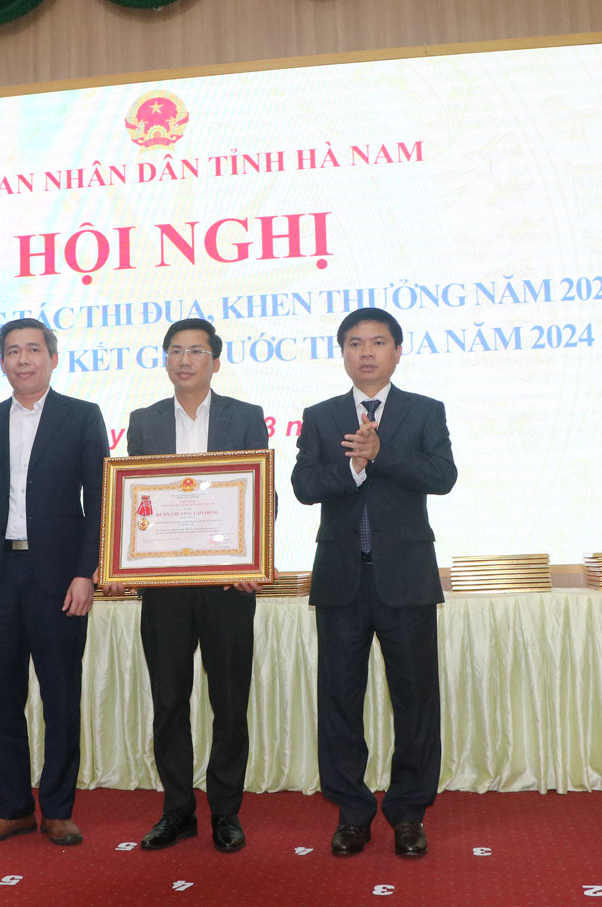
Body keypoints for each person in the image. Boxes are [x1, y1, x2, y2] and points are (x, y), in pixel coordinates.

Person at [290, 307, 457, 858]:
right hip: (341, 579)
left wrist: (381, 456)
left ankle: (409, 814)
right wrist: (353, 468)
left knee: (415, 701)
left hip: (406, 579)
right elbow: (304, 486)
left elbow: (442, 476)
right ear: (342, 352)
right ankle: (352, 814)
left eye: (378, 342)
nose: (366, 352)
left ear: (397, 351)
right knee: (339, 701)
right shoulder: (320, 416)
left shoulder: (424, 411)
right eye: (355, 343)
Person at [106, 317, 269, 853]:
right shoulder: (145, 421)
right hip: (165, 589)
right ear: (165, 360)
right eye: (175, 350)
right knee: (169, 701)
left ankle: (225, 811)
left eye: (196, 351)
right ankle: (177, 809)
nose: (184, 360)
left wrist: (252, 558)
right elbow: (136, 500)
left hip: (228, 588)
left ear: (215, 362)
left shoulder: (245, 417)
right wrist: (122, 561)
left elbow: (261, 493)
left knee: (230, 703)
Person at [0, 317, 109, 847]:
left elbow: (100, 502)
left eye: (34, 349)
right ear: (1, 362)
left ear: (53, 358)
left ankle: (58, 810)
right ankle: (12, 808)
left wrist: (87, 573)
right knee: (1, 701)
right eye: (13, 351)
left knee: (61, 699)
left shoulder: (82, 416)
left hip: (59, 579)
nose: (23, 359)